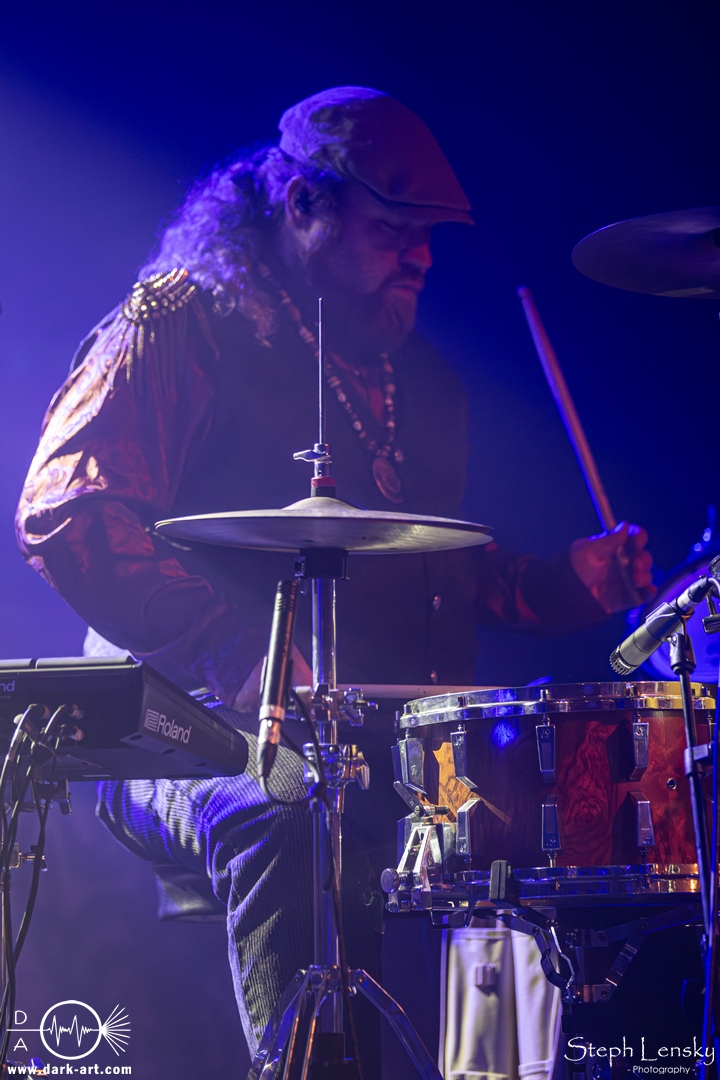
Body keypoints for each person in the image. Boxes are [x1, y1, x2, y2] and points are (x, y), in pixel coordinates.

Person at [15, 87, 654, 1071]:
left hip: (373, 740)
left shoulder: (424, 381)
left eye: (427, 238)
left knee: (540, 815)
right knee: (294, 804)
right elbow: (70, 513)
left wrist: (566, 586)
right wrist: (244, 657)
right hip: (185, 729)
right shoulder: (184, 324)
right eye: (393, 230)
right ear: (303, 205)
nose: (422, 257)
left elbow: (433, 568)